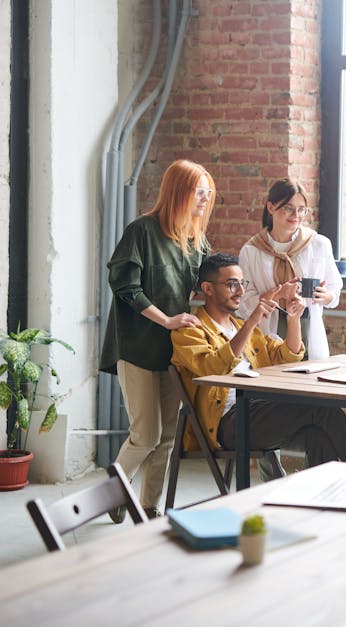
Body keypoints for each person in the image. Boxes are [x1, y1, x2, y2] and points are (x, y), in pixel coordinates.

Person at [171, 253, 346, 479]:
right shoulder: (190, 331)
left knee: (317, 434)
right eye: (232, 284)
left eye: (242, 283)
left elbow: (286, 358)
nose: (240, 291)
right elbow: (212, 368)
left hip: (257, 410)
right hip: (228, 423)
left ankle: (326, 502)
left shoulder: (242, 327)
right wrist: (252, 320)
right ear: (208, 288)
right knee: (319, 406)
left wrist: (293, 320)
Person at [99, 159, 215, 521]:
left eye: (209, 193)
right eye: (199, 191)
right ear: (179, 190)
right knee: (145, 434)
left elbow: (211, 280)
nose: (205, 199)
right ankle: (112, 495)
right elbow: (124, 286)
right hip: (135, 348)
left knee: (167, 436)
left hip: (172, 352)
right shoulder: (141, 232)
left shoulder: (196, 240)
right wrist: (165, 319)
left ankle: (148, 507)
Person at [238, 178, 342, 359]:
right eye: (288, 208)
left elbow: (334, 289)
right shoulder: (251, 250)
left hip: (308, 326)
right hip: (267, 330)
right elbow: (244, 304)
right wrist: (278, 294)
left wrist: (327, 296)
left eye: (302, 209)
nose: (296, 215)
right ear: (271, 207)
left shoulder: (319, 244)